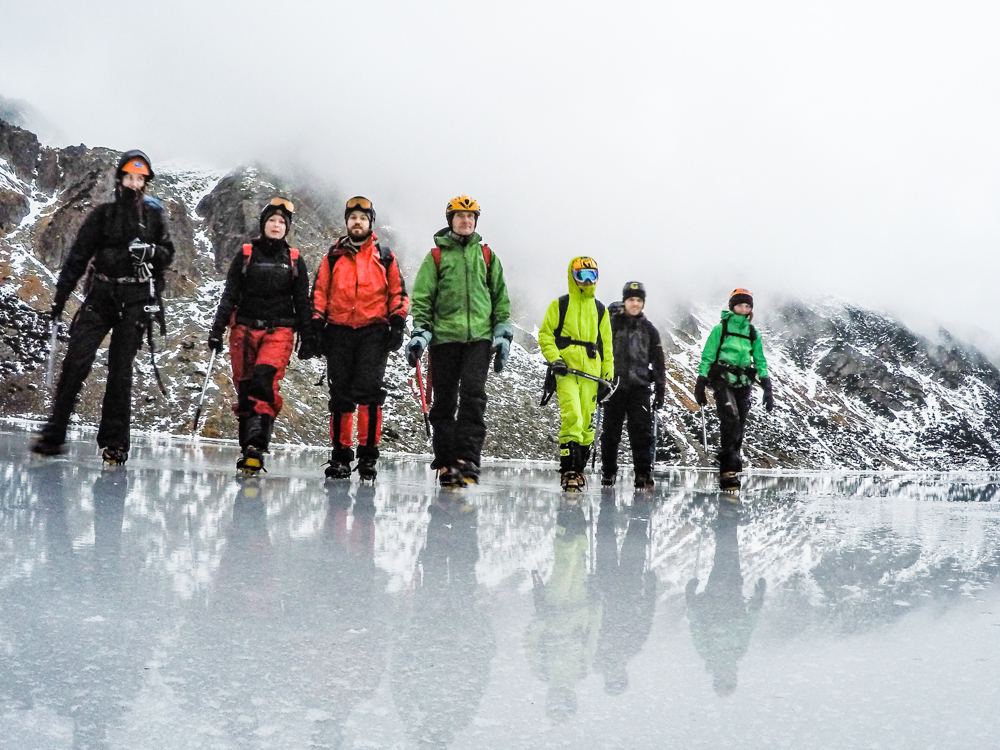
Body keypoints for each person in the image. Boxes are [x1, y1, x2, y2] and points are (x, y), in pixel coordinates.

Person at [31, 150, 175, 464]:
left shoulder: (154, 218)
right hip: (100, 296)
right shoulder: (103, 215)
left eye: (140, 178)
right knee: (76, 361)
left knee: (121, 373)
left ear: (145, 182)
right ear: (120, 179)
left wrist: (150, 251)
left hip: (135, 301)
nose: (134, 183)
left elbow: (168, 254)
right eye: (129, 176)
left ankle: (115, 444)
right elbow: (78, 257)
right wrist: (60, 298)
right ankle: (54, 434)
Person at [406, 196, 512, 487]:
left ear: (476, 221)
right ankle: (445, 464)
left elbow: (500, 299)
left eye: (471, 217)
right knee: (444, 402)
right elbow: (423, 298)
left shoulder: (487, 257)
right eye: (460, 216)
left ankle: (467, 460)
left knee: (474, 396)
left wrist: (502, 336)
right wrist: (421, 334)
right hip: (444, 339)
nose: (466, 221)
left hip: (479, 339)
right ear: (450, 220)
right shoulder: (436, 257)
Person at [208, 198, 312, 474]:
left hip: (279, 331)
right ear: (263, 224)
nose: (276, 225)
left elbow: (303, 302)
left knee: (263, 383)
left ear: (287, 228)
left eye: (281, 222)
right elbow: (229, 295)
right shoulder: (244, 255)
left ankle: (256, 447)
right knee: (245, 391)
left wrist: (309, 336)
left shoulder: (295, 260)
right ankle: (248, 450)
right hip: (243, 330)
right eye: (272, 221)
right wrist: (217, 330)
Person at [309, 196, 409, 482]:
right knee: (340, 396)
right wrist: (316, 324)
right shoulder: (332, 257)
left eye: (362, 218)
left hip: (373, 333)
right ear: (347, 222)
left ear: (370, 224)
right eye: (353, 217)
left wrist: (398, 321)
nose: (357, 222)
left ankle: (367, 458)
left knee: (369, 394)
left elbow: (398, 293)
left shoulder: (384, 255)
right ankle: (340, 457)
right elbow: (319, 293)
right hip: (338, 332)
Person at [538, 257, 614, 491]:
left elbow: (607, 346)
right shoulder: (559, 305)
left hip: (592, 375)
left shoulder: (601, 310)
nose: (587, 281)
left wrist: (607, 377)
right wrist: (556, 359)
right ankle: (568, 470)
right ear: (572, 277)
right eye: (582, 276)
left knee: (587, 425)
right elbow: (545, 335)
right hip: (567, 372)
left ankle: (579, 470)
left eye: (592, 276)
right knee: (573, 417)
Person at [694, 288, 774, 491]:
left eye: (747, 306)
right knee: (730, 419)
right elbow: (708, 356)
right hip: (722, 380)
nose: (743, 309)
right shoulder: (720, 329)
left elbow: (760, 360)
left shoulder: (752, 333)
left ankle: (730, 469)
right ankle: (728, 472)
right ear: (733, 306)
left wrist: (767, 385)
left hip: (744, 383)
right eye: (740, 305)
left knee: (739, 425)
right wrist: (701, 381)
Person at [600, 281, 667, 489]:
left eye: (639, 300)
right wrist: (601, 382)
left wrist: (660, 388)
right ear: (624, 301)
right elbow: (600, 352)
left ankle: (643, 474)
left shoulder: (649, 330)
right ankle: (609, 472)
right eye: (631, 299)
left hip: (639, 387)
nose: (635, 304)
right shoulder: (611, 325)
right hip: (614, 387)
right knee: (611, 432)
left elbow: (658, 361)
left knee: (641, 432)